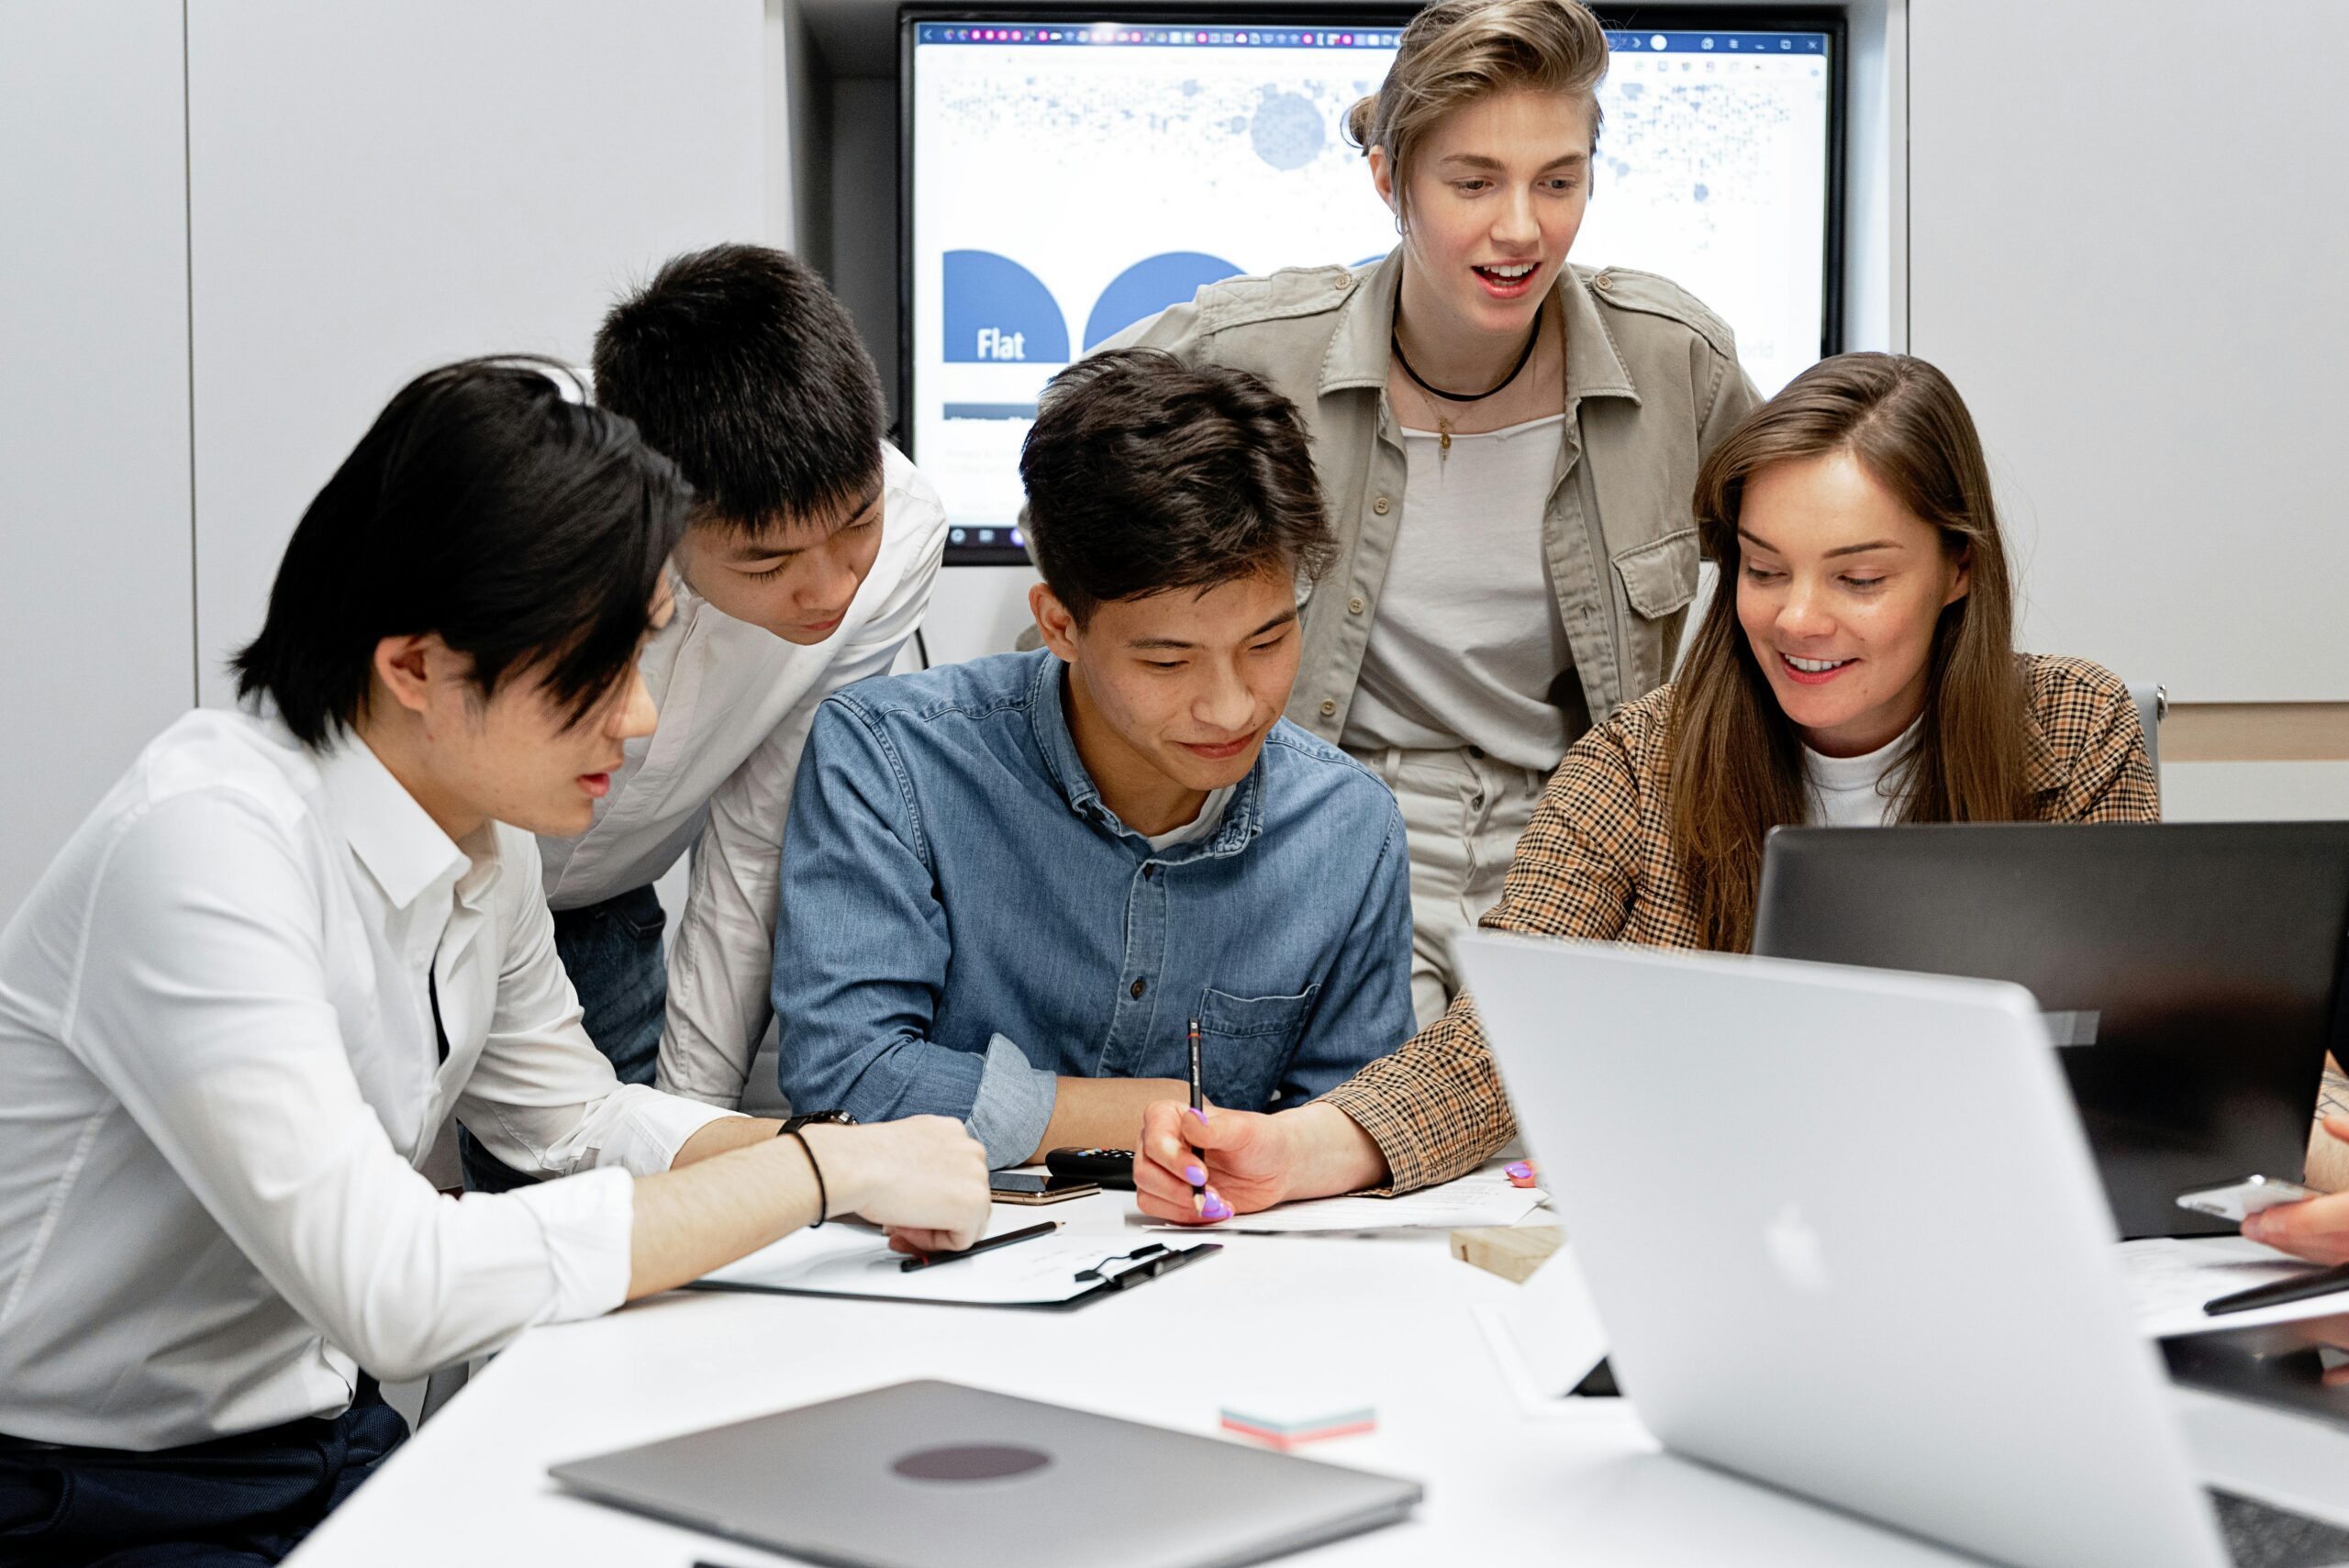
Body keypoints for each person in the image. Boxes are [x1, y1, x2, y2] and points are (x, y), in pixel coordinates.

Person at [0, 361, 987, 1563]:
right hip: (86, 1489)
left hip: (327, 1431)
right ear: (415, 666)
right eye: (597, 677)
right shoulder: (204, 844)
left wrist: (871, 1160)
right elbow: (397, 1287)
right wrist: (822, 1169)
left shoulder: (480, 830)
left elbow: (568, 1123)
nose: (640, 722)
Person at [1131, 351, 2160, 1222]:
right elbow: (1493, 1047)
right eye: (1763, 570)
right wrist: (1299, 1147)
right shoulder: (1636, 765)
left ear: (1958, 569)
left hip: (1999, 1226)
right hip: (1735, 1238)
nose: (1799, 619)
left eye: (1858, 578)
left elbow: (2158, 1031)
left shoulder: (2070, 734)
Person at [1097, 0, 1761, 1028]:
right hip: (1331, 827)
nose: (1520, 228)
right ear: (1387, 180)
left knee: (1580, 1132)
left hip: (1577, 837)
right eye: (1472, 182)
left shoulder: (1674, 359)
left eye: (1558, 180)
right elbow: (1071, 486)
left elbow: (1794, 572)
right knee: (1372, 1123)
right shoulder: (1249, 348)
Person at [729, 350, 1416, 1173]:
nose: (1234, 706)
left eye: (1267, 641)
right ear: (1059, 625)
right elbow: (849, 1081)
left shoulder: (1348, 828)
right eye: (1168, 662)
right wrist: (1164, 1114)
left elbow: (1350, 1131)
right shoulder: (892, 762)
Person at [484, 245, 946, 1178]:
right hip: (451, 894)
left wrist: (700, 1140)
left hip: (607, 908)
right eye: (766, 563)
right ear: (658, 502)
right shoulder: (532, 514)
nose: (829, 588)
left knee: (612, 1206)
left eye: (855, 521)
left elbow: (755, 841)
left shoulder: (903, 540)